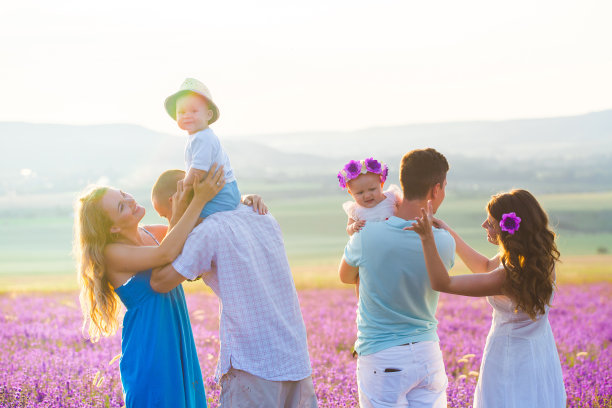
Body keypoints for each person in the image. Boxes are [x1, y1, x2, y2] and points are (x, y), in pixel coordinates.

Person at [148, 172, 318, 408]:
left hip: (252, 364)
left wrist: (178, 217)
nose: (168, 223)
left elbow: (160, 281)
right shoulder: (260, 213)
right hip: (295, 358)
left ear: (174, 200)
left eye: (165, 215)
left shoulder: (207, 232)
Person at [74, 165, 226, 408]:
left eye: (123, 194)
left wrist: (244, 201)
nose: (130, 200)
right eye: (121, 206)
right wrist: (198, 201)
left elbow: (196, 229)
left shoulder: (152, 232)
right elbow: (165, 253)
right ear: (113, 228)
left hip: (176, 339)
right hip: (150, 347)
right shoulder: (112, 253)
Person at [407, 189, 567, 407]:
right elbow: (483, 267)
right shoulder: (537, 260)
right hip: (538, 354)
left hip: (508, 358)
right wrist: (447, 230)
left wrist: (427, 239)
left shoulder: (508, 276)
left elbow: (443, 283)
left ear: (508, 228)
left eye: (490, 223)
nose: (484, 226)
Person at [339, 148, 455, 408]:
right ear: (436, 190)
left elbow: (345, 276)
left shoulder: (366, 235)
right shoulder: (444, 242)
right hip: (427, 354)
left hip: (381, 357)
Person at [164, 77, 241, 219]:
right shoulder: (197, 136)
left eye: (194, 111)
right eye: (181, 112)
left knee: (192, 219)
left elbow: (198, 171)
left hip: (221, 193)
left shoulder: (203, 138)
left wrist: (183, 188)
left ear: (208, 114)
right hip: (222, 190)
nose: (187, 115)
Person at [337, 157, 401, 297]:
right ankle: (362, 302)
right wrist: (353, 226)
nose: (367, 195)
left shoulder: (391, 198)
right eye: (359, 193)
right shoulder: (355, 210)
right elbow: (349, 230)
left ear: (381, 183)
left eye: (372, 189)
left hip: (392, 247)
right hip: (369, 251)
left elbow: (405, 214)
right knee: (361, 276)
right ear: (350, 193)